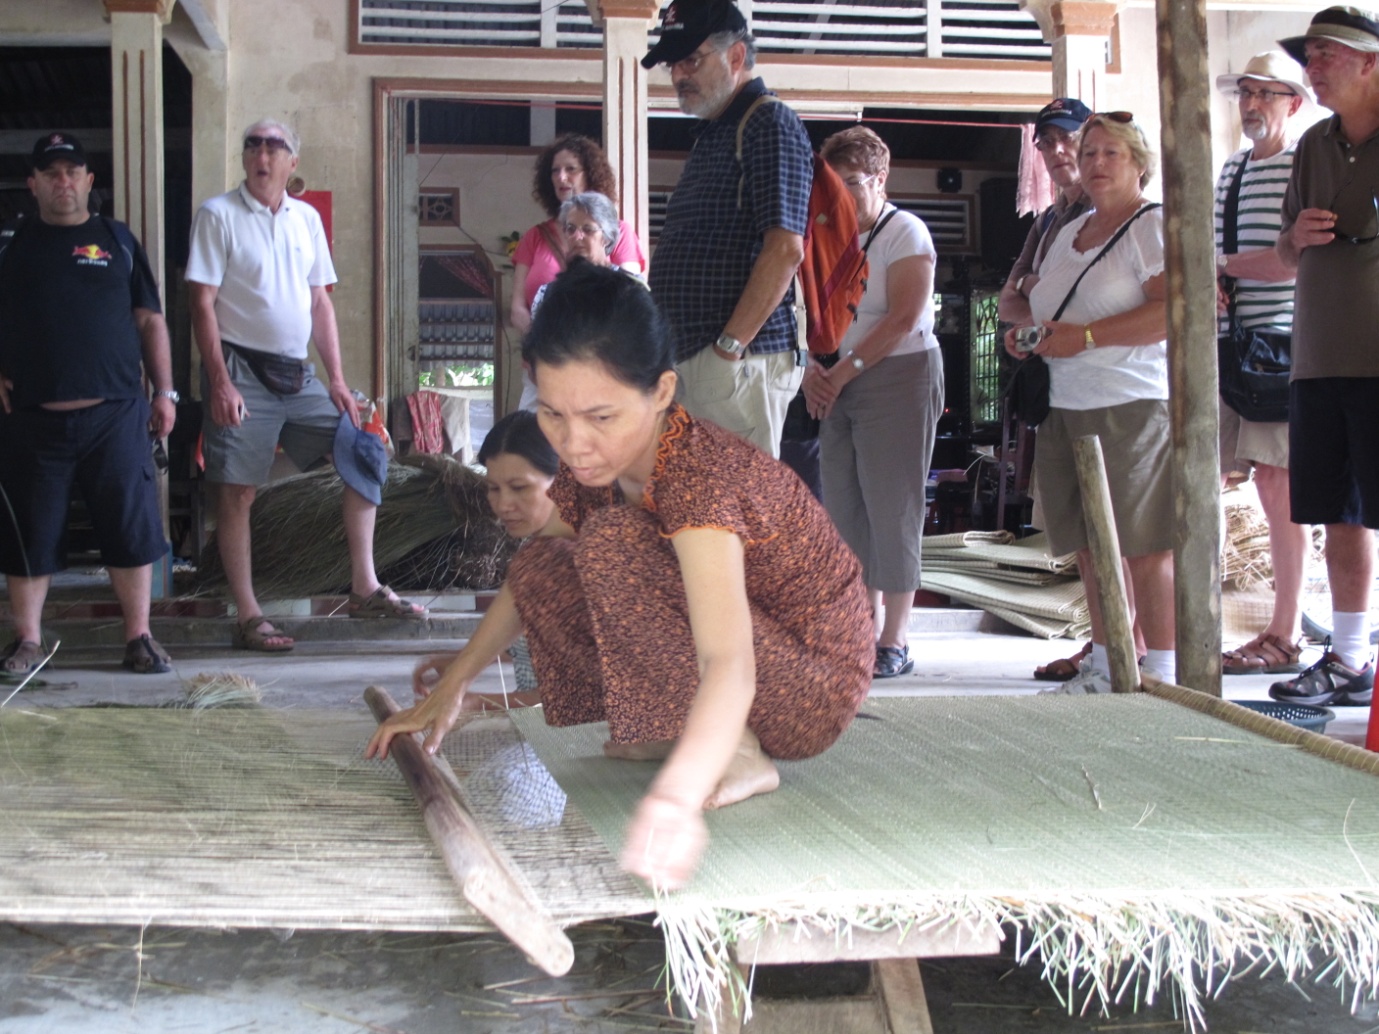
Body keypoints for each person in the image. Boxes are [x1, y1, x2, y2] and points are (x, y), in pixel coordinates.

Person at [367, 261, 873, 890]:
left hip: (813, 683)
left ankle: (740, 752)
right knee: (550, 564)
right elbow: (535, 577)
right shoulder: (605, 474)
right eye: (554, 415)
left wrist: (676, 800)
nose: (574, 443)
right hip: (773, 663)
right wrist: (454, 684)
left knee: (610, 546)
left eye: (601, 417)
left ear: (661, 393)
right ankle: (678, 727)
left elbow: (730, 664)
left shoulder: (696, 475)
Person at [187, 118, 426, 652]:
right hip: (240, 369)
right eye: (254, 145)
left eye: (276, 146)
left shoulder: (306, 219)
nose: (263, 154)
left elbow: (320, 301)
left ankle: (364, 587)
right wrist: (221, 382)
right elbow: (201, 303)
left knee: (363, 449)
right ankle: (249, 613)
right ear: (245, 158)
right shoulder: (218, 215)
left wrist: (338, 380)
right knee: (237, 490)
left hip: (299, 374)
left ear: (292, 163)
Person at [1007, 111, 1174, 691]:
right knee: (1088, 545)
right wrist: (1030, 336)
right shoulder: (1067, 234)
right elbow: (1045, 309)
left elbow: (1170, 312)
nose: (1096, 163)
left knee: (1144, 542)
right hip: (1063, 402)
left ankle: (1168, 672)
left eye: (1112, 154)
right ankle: (1105, 663)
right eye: (1091, 153)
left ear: (1139, 165)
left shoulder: (1149, 225)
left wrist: (1089, 338)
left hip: (1127, 399)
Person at [0, 132, 176, 676]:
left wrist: (166, 392)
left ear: (88, 181)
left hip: (116, 413)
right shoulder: (12, 247)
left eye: (72, 171)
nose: (62, 181)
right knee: (29, 532)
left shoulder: (116, 241)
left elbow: (149, 319)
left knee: (129, 527)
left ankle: (139, 638)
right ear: (33, 183)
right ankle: (27, 641)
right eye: (50, 172)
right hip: (34, 418)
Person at [803, 127, 943, 679]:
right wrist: (814, 370)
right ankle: (859, 629)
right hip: (836, 377)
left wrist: (841, 373)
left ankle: (895, 640)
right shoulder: (825, 234)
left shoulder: (904, 231)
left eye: (851, 184)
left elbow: (903, 318)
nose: (839, 195)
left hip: (898, 373)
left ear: (880, 180)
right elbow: (804, 313)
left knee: (894, 505)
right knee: (844, 506)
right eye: (830, 185)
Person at [643, 0, 811, 459]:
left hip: (736, 361)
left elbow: (784, 250)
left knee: (737, 520)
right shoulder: (719, 130)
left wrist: (727, 350)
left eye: (690, 60)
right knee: (702, 518)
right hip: (702, 359)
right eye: (673, 64)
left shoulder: (768, 121)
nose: (678, 75)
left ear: (736, 57)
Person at [1270, 7, 1379, 706]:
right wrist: (1297, 239)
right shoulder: (1310, 145)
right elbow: (1282, 251)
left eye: (1326, 54)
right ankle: (1346, 659)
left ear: (1369, 62)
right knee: (1338, 511)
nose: (1311, 67)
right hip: (1318, 356)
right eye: (1307, 55)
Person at [1213, 51, 1313, 676]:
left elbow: (1290, 260)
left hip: (1281, 346)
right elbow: (1215, 250)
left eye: (1267, 94)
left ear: (1293, 103)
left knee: (1281, 489)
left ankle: (1286, 631)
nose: (1252, 104)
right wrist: (1214, 277)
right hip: (1228, 345)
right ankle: (1208, 623)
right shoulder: (1232, 168)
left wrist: (1219, 267)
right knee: (1211, 481)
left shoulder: (1305, 165)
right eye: (1246, 92)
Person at [508, 135, 646, 337]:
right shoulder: (535, 236)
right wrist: (544, 347)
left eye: (570, 169)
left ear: (590, 174)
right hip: (544, 359)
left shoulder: (620, 232)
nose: (561, 177)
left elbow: (631, 302)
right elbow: (517, 310)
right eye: (555, 170)